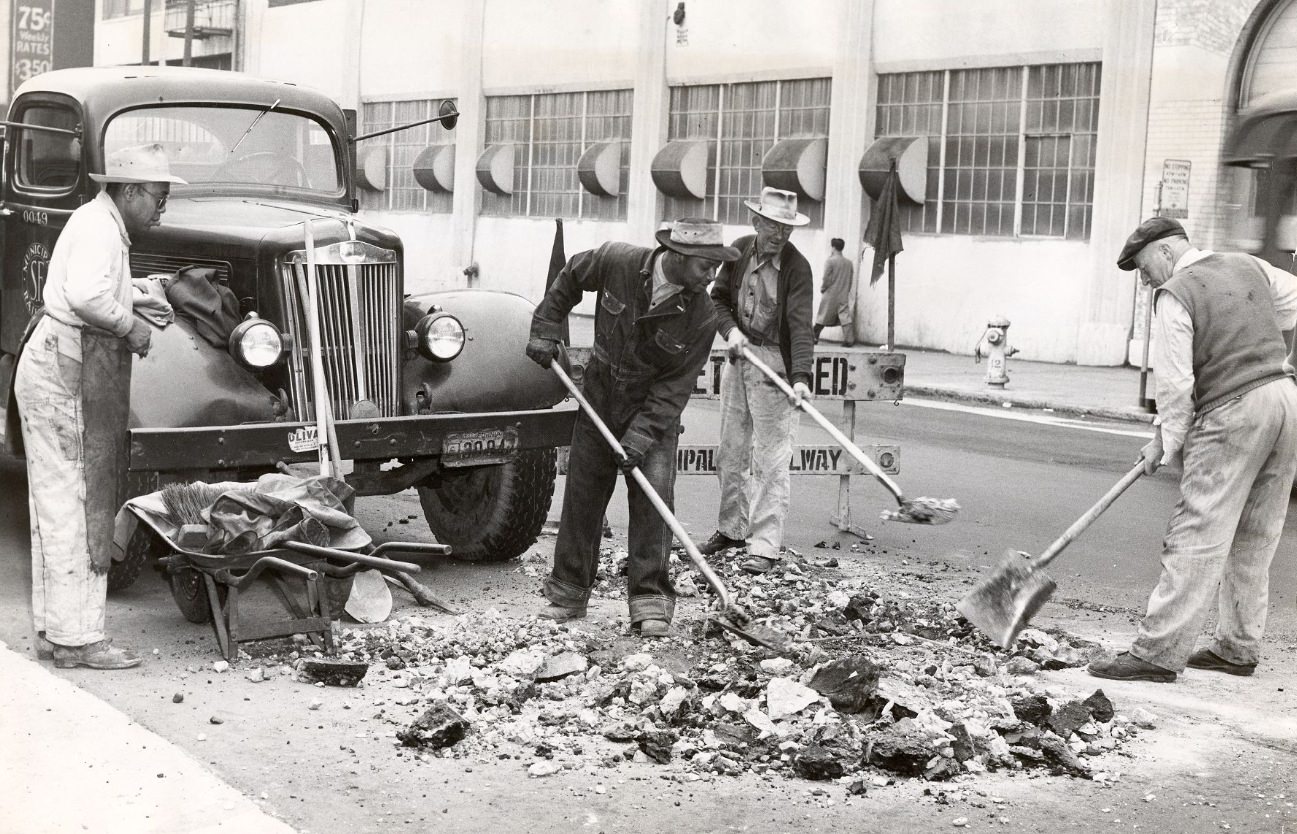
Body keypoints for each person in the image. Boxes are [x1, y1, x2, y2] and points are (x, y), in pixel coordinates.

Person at [1088, 217, 1297, 683]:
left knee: (1197, 529)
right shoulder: (1250, 266)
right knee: (1256, 535)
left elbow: (1176, 386)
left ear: (1165, 252)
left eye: (1143, 269)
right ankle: (1237, 648)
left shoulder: (1176, 292)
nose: (1145, 283)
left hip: (1232, 409)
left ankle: (1157, 652)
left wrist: (1165, 441)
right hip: (1285, 401)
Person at [525, 218, 740, 638]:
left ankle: (651, 603)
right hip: (600, 396)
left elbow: (673, 388)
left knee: (653, 501)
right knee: (584, 495)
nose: (711, 277)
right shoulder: (617, 261)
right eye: (705, 267)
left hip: (652, 411)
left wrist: (639, 439)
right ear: (678, 256)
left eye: (717, 267)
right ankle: (568, 593)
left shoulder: (701, 315)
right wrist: (546, 327)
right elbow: (570, 276)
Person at [16, 143, 184, 670]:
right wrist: (129, 322)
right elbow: (86, 296)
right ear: (129, 190)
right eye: (158, 196)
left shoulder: (102, 221)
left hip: (57, 361)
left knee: (57, 504)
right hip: (64, 366)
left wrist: (134, 291)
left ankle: (57, 633)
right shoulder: (98, 226)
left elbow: (89, 286)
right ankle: (78, 640)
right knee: (76, 501)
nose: (162, 208)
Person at [698, 187, 815, 574]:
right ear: (756, 221)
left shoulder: (797, 268)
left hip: (774, 362)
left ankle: (763, 546)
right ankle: (731, 529)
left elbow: (800, 328)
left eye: (786, 228)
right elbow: (716, 299)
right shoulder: (739, 251)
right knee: (731, 451)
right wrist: (730, 331)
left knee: (772, 458)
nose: (779, 234)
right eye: (772, 225)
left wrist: (799, 378)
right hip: (739, 354)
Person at [813, 237, 854, 346]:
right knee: (845, 317)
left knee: (822, 317)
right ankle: (849, 340)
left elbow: (826, 278)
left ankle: (813, 338)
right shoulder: (849, 263)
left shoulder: (830, 261)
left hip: (830, 293)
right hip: (843, 293)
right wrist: (846, 290)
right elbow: (850, 280)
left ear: (833, 247)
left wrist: (823, 288)